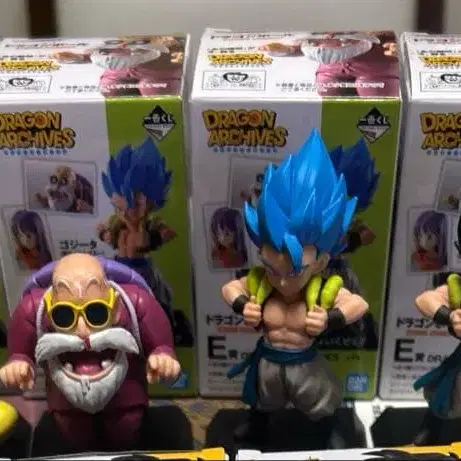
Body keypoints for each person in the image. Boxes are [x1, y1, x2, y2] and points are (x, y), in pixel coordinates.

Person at [221, 129, 369, 445]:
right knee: (263, 400)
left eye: (294, 270)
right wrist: (243, 305)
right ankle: (258, 427)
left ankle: (326, 433)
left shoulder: (323, 289)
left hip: (305, 362)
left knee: (320, 404)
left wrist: (330, 319)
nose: (282, 280)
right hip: (269, 361)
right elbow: (230, 288)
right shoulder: (261, 282)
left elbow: (358, 304)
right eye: (272, 268)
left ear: (320, 262)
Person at [0, 253, 180, 452]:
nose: (82, 330)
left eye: (96, 312)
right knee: (75, 435)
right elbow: (21, 339)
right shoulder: (34, 308)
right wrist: (19, 360)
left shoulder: (135, 302)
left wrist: (162, 353)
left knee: (125, 430)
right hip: (66, 401)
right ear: (50, 306)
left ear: (115, 305)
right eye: (64, 315)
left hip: (125, 394)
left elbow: (157, 331)